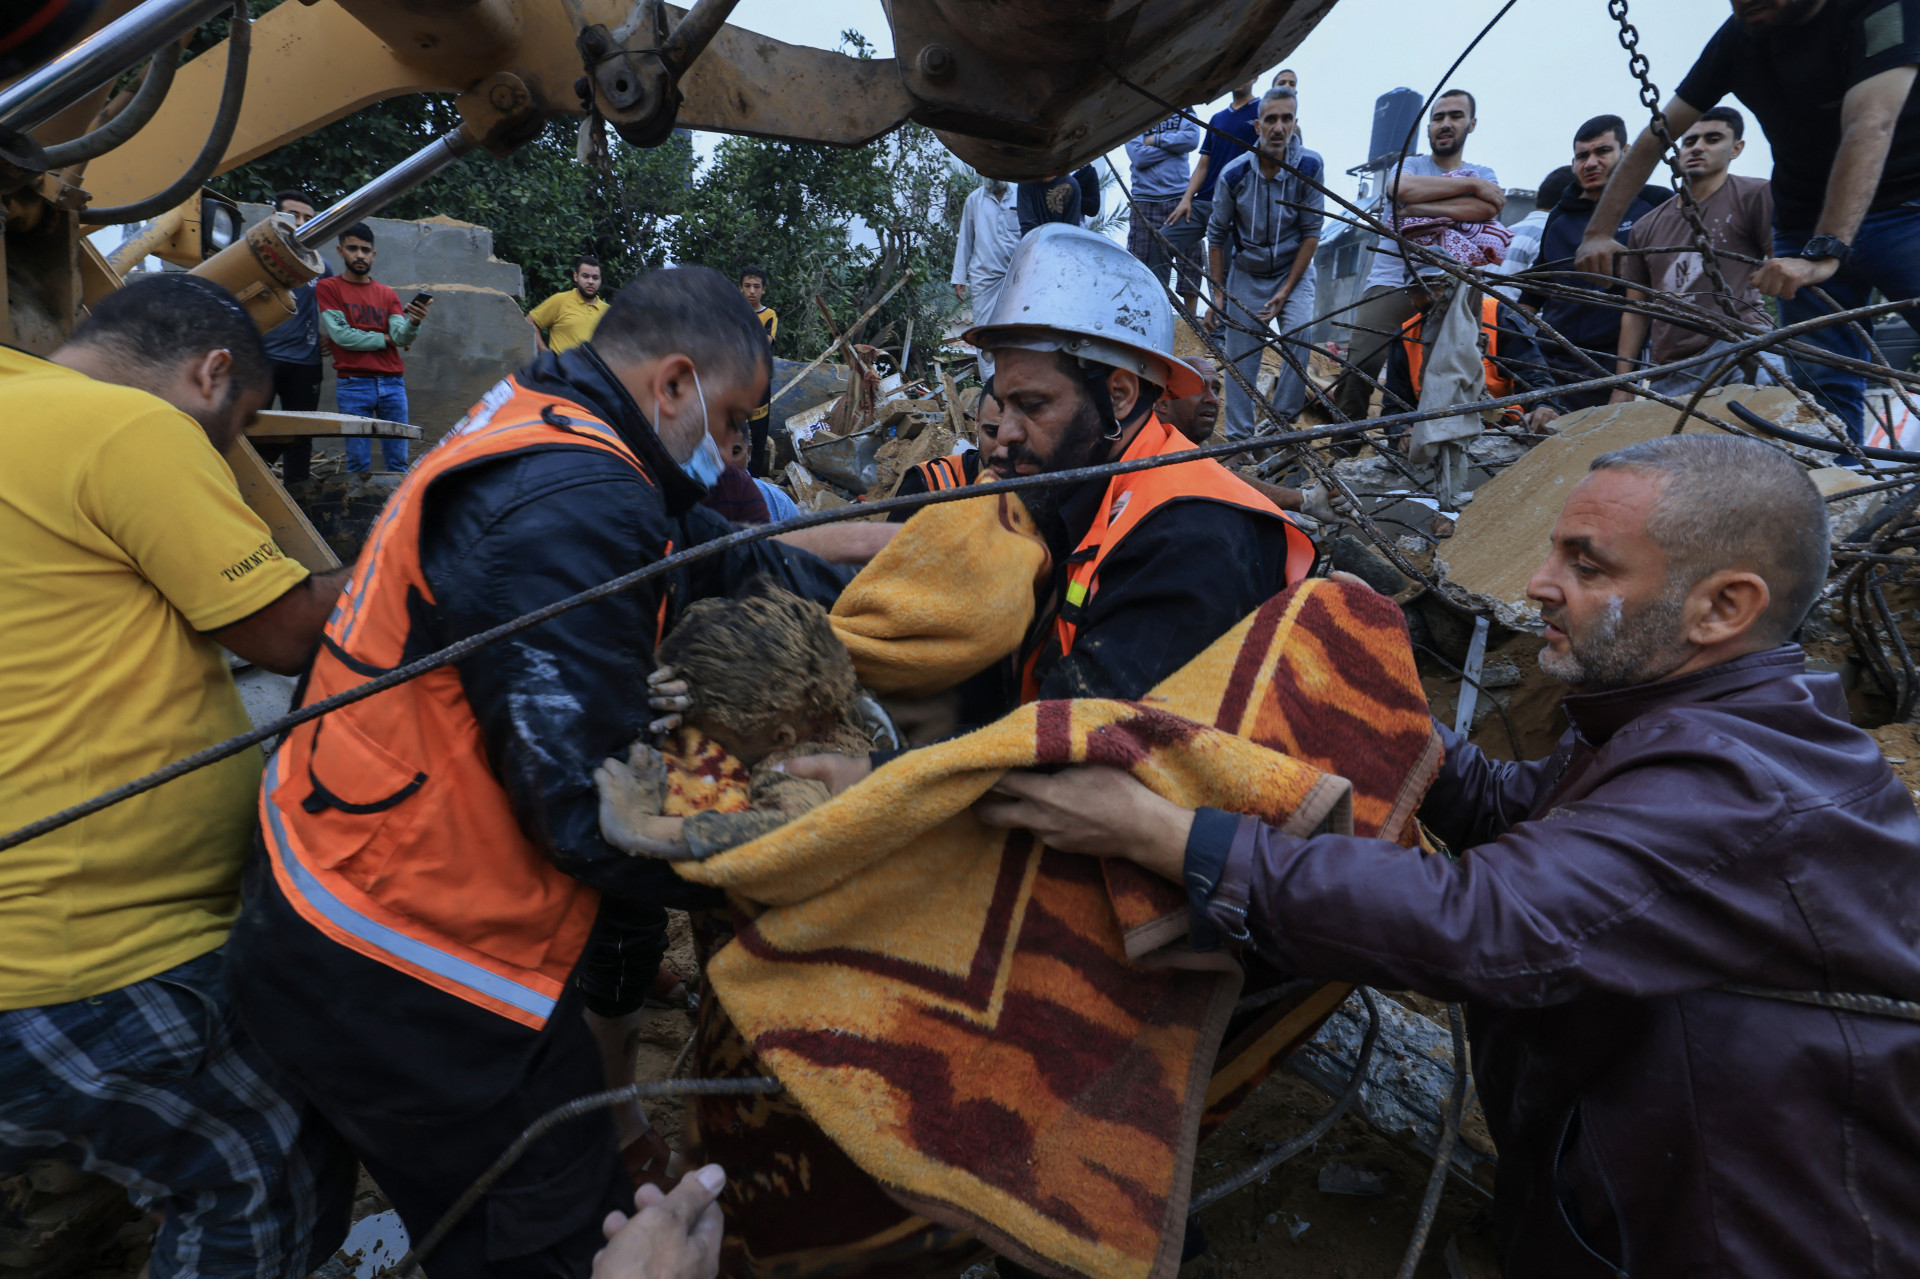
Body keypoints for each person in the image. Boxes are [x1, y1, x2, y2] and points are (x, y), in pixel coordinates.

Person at [977, 433, 1920, 1279]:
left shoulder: (1740, 786)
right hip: (1630, 1184)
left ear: (1722, 607)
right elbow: (1514, 808)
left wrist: (1167, 836)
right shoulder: (1687, 727)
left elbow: (1483, 923)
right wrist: (1347, 695)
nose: (1538, 585)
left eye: (1584, 564)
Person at [226, 266, 852, 1274]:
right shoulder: (569, 502)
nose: (735, 452)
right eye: (733, 422)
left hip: (345, 887)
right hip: (404, 957)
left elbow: (708, 553)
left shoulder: (564, 429)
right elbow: (596, 810)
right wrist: (807, 813)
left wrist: (862, 578)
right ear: (676, 384)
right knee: (556, 1226)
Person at [0, 275, 353, 1278]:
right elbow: (288, 629)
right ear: (209, 374)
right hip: (74, 956)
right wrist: (424, 549)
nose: (213, 464)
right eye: (225, 434)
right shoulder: (122, 429)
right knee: (261, 1159)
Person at [783, 224, 1316, 789]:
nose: (1004, 434)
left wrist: (868, 775)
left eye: (1033, 405)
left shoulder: (1193, 536)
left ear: (1118, 396)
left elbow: (1076, 753)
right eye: (1003, 405)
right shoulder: (1067, 492)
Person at [1577, 0, 1920, 444]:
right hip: (1801, 222)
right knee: (1823, 383)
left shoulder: (1880, 9)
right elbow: (1655, 136)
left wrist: (1827, 248)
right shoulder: (1739, 36)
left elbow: (1869, 122)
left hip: (1905, 208)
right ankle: (1847, 486)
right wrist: (1598, 232)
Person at [1325, 89, 1501, 422]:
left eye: (1455, 116)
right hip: (1392, 280)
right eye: (1438, 117)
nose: (1445, 124)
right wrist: (1468, 190)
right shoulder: (1410, 164)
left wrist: (1417, 208)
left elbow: (1486, 209)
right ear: (1429, 126)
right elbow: (1397, 191)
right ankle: (1343, 448)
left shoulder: (1483, 173)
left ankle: (1427, 447)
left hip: (1454, 285)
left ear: (1471, 124)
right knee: (1359, 364)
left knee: (1450, 368)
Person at [1613, 107, 1781, 402]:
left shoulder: (1754, 196)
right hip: (1671, 369)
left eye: (1713, 139)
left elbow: (1783, 267)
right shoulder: (1646, 226)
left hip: (1737, 345)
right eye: (1690, 141)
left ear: (1736, 148)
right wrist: (1623, 383)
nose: (1698, 147)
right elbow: (1635, 311)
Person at [1206, 86, 1324, 439]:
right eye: (1271, 119)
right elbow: (1216, 236)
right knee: (1241, 356)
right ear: (1257, 126)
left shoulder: (1309, 166)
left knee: (1299, 332)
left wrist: (1286, 291)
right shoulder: (1234, 174)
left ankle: (1281, 425)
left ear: (1295, 123)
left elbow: (1312, 233)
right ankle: (1239, 442)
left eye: (1286, 119)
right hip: (1248, 272)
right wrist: (1218, 293)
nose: (1278, 128)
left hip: (1294, 271)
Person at [1534, 115, 1665, 410]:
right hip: (1553, 360)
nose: (1590, 163)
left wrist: (1624, 383)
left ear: (1627, 151)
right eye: (1582, 155)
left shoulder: (1655, 204)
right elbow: (1536, 287)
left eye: (1602, 151)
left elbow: (1649, 298)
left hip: (1618, 363)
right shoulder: (1559, 216)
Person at [315, 221, 429, 473]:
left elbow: (401, 336)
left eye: (365, 250)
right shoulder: (328, 287)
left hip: (393, 384)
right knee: (357, 463)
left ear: (373, 254)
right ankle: (359, 512)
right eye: (352, 248)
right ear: (340, 251)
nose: (359, 255)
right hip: (353, 383)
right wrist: (386, 339)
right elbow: (343, 336)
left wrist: (415, 322)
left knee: (398, 462)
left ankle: (395, 512)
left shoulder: (387, 294)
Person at [1166, 79, 1260, 317]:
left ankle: (1220, 334)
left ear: (1257, 76)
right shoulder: (1217, 119)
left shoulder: (1261, 113)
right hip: (1203, 202)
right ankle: (1154, 306)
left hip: (1236, 206)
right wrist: (1186, 198)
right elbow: (1203, 164)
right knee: (1163, 240)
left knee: (1225, 273)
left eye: (1249, 73)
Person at [257, 187, 332, 483]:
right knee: (252, 431)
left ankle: (298, 504)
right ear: (276, 216)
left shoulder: (321, 266)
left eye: (308, 217)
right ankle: (253, 497)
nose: (301, 222)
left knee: (300, 437)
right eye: (293, 215)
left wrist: (330, 337)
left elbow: (332, 307)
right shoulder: (254, 257)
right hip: (260, 360)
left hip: (305, 363)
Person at [950, 177, 1022, 379]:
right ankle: (990, 387)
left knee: (1016, 330)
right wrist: (959, 277)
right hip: (984, 277)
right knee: (984, 331)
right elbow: (965, 238)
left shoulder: (1020, 194)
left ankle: (1014, 382)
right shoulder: (974, 200)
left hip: (1018, 274)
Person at [1125, 114, 1202, 300]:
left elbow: (1192, 140)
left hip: (1180, 199)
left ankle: (1190, 323)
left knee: (1191, 259)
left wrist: (1155, 140)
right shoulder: (1137, 114)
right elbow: (1138, 156)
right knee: (1139, 264)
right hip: (1145, 199)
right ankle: (1149, 318)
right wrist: (1176, 148)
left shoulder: (1184, 110)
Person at [528, 253, 611, 353]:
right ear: (576, 277)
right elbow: (529, 321)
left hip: (595, 368)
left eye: (595, 278)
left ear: (600, 280)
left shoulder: (609, 311)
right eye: (585, 276)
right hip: (562, 368)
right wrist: (544, 352)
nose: (590, 281)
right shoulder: (560, 300)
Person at [739, 266, 778, 476]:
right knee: (731, 428)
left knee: (759, 433)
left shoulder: (769, 315)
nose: (751, 291)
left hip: (759, 382)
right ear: (741, 288)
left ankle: (754, 480)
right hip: (735, 380)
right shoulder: (733, 312)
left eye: (756, 286)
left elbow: (766, 341)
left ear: (763, 290)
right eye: (747, 286)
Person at [1017, 164, 1100, 235]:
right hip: (1035, 242)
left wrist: (1066, 197)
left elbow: (1071, 228)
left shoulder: (1077, 180)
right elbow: (1027, 225)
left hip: (1067, 235)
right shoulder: (1026, 183)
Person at [1159, 356, 1222, 444]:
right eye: (1199, 389)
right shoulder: (1143, 447)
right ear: (1163, 402)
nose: (1213, 399)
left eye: (1215, 390)